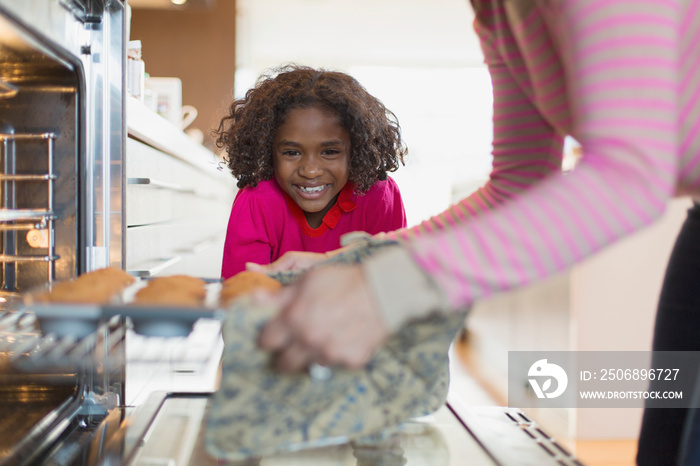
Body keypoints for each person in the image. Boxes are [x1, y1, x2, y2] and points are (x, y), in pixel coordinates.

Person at [252, 1, 700, 464]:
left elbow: (632, 177)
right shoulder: (498, 12)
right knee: (666, 449)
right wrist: (355, 263)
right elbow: (519, 183)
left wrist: (392, 287)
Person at [214, 65, 407, 279]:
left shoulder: (379, 196)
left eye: (330, 152)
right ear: (268, 150)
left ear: (356, 151)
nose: (311, 171)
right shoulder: (257, 200)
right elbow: (242, 292)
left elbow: (393, 282)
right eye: (291, 152)